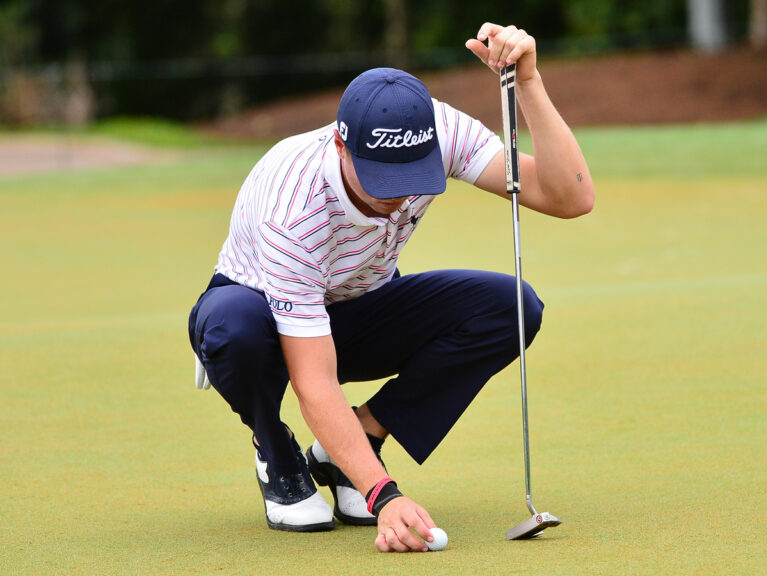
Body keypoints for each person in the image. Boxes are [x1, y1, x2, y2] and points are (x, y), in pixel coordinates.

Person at [187, 23, 593, 553]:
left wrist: (531, 83)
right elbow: (314, 380)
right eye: (382, 180)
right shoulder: (294, 208)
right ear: (340, 143)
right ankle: (275, 449)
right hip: (262, 318)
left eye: (411, 178)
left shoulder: (439, 129)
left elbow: (569, 197)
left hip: (361, 303)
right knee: (232, 329)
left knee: (512, 307)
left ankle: (358, 439)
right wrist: (384, 495)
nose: (397, 199)